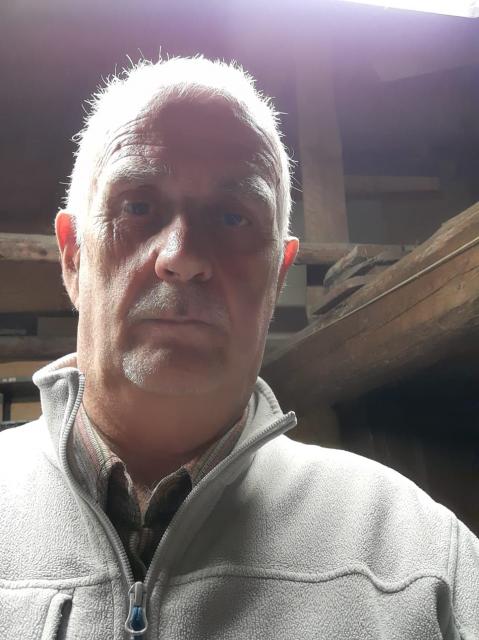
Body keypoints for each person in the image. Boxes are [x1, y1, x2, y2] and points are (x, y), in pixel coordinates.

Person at [1, 57, 478, 640]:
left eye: (232, 217)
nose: (182, 256)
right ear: (73, 256)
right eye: (138, 206)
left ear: (278, 276)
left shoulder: (424, 560)